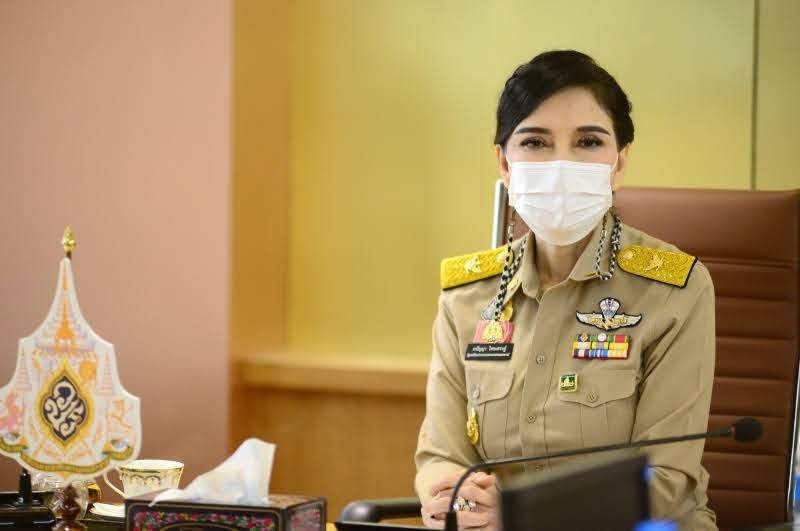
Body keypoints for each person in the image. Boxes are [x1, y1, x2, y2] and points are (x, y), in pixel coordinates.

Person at [414, 50, 717, 530]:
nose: (561, 163)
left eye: (588, 142)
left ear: (618, 163)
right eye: (535, 142)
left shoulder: (673, 290)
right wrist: (453, 497)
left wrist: (520, 517)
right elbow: (441, 455)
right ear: (505, 163)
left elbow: (667, 482)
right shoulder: (468, 295)